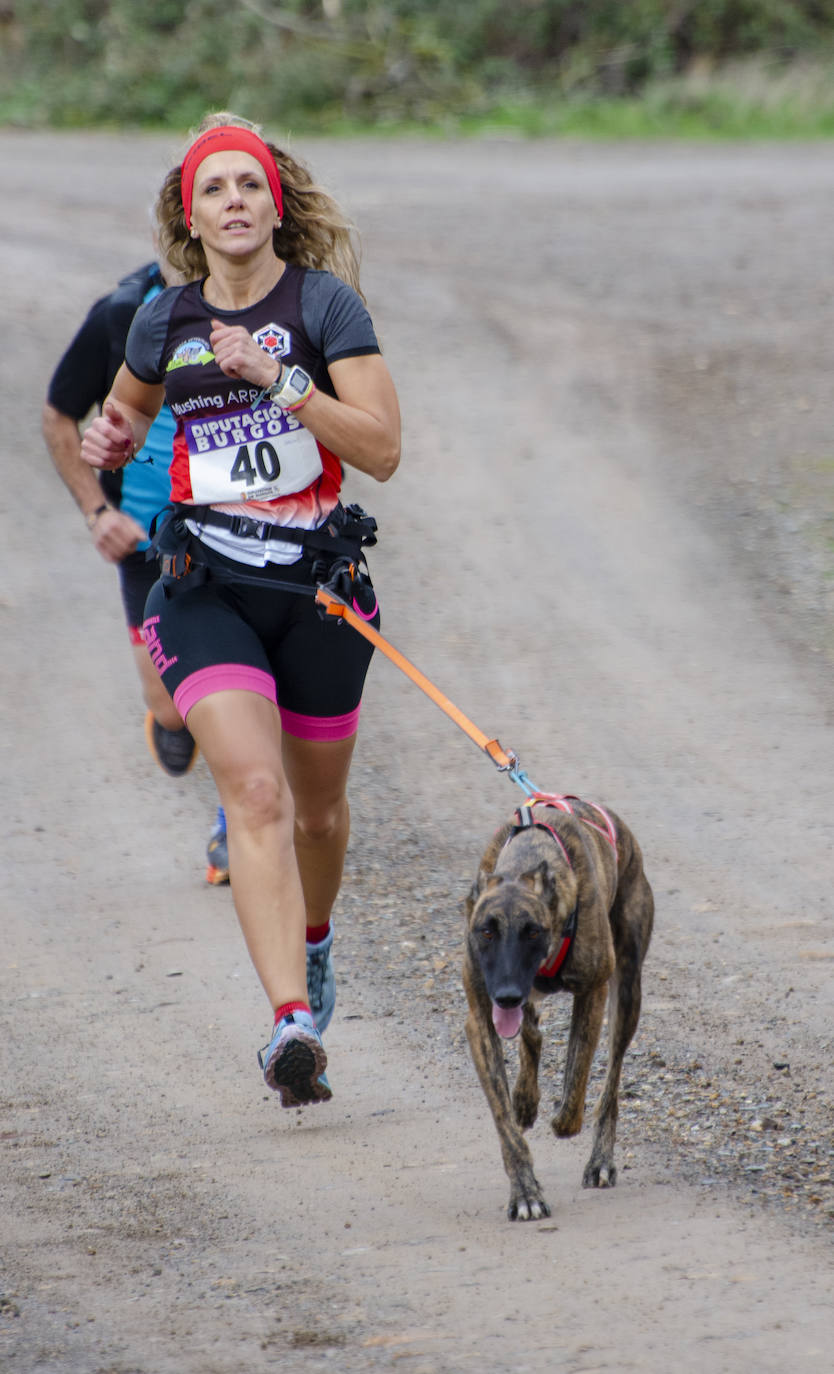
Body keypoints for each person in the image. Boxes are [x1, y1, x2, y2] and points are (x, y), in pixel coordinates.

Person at [80, 113, 401, 1108]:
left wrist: (284, 382)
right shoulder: (161, 321)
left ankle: (314, 942)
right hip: (204, 585)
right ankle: (287, 1025)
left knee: (317, 811)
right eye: (212, 189)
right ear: (191, 213)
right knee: (253, 794)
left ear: (275, 204)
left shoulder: (325, 305)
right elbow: (125, 414)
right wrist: (111, 444)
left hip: (315, 594)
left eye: (247, 187)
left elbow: (383, 449)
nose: (231, 202)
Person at [42, 262, 232, 885]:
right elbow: (58, 414)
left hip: (235, 532)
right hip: (146, 539)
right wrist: (98, 512)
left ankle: (237, 820)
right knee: (177, 725)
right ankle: (176, 717)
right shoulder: (124, 316)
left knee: (249, 685)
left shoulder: (262, 309)